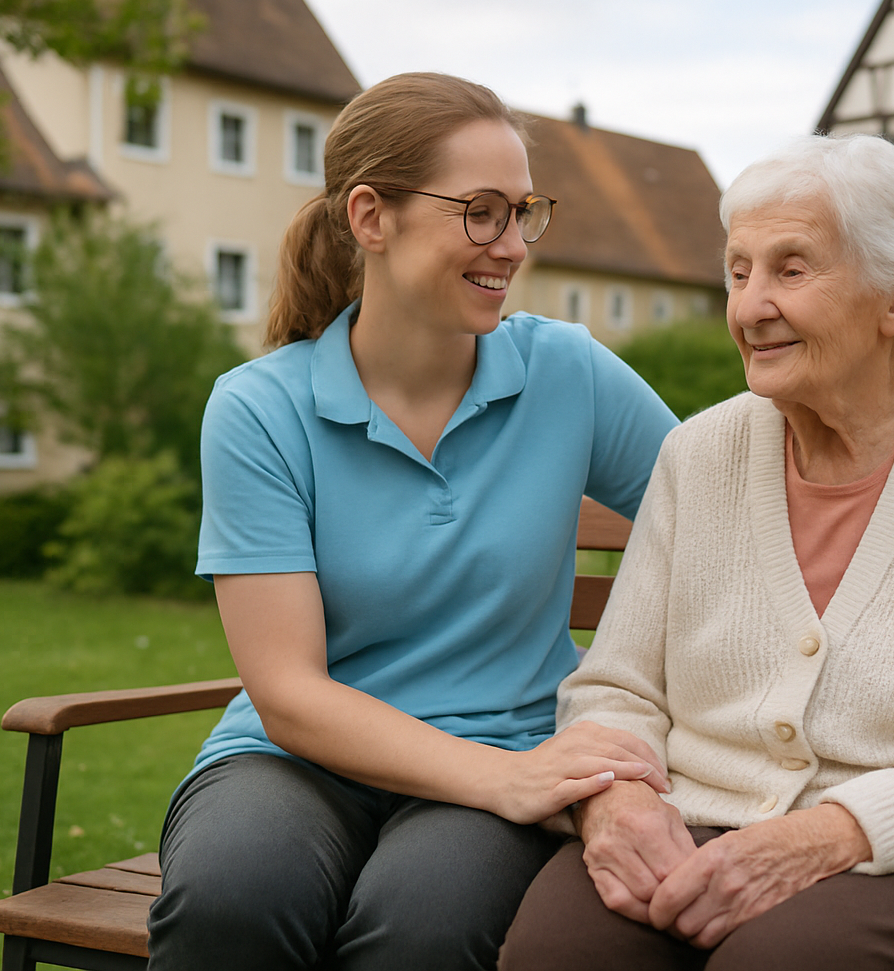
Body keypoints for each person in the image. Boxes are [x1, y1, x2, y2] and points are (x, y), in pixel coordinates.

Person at [500, 134, 894, 971]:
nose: (750, 306)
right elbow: (614, 687)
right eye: (739, 272)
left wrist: (826, 836)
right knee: (559, 954)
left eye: (791, 270)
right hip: (697, 818)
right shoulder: (697, 455)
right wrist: (617, 803)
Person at [145, 73, 679, 971]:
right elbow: (288, 694)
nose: (510, 246)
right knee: (230, 899)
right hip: (299, 762)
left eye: (521, 213)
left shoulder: (569, 374)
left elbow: (733, 510)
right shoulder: (258, 409)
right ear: (370, 217)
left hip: (506, 747)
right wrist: (512, 784)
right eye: (479, 212)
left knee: (423, 928)